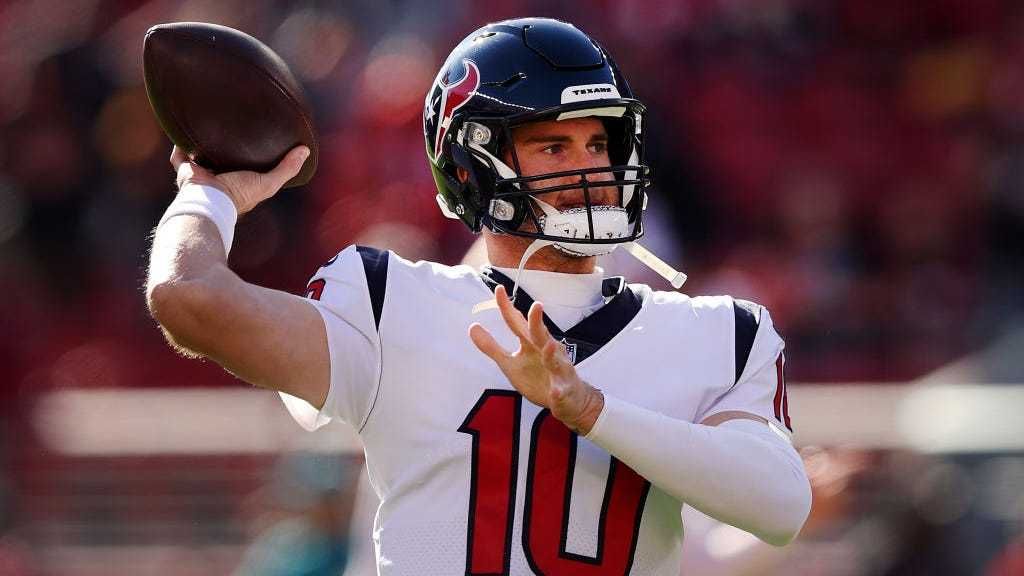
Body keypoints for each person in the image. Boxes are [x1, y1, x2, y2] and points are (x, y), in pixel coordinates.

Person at [146, 17, 811, 575]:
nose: (591, 167)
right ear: (470, 168)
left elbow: (779, 506)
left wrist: (589, 409)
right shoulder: (387, 300)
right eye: (554, 146)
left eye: (599, 142)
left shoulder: (721, 330)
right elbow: (188, 299)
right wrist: (210, 194)